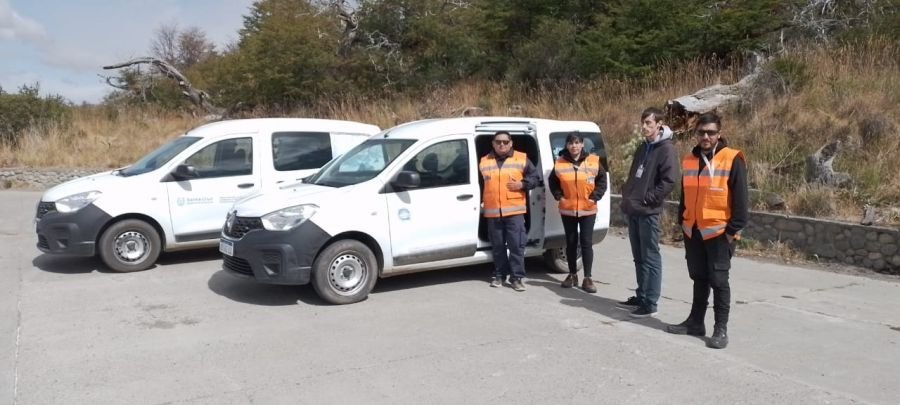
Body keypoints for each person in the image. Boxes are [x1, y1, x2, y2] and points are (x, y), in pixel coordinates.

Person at [666, 112, 748, 350]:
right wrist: (682, 222)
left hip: (720, 233)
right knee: (699, 278)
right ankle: (695, 322)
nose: (706, 136)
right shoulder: (690, 159)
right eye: (701, 132)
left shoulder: (732, 158)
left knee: (719, 281)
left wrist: (732, 230)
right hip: (693, 231)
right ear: (696, 133)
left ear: (719, 134)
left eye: (711, 132)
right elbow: (685, 195)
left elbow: (741, 200)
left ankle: (720, 329)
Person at [618, 107, 678, 318]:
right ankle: (641, 295)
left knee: (650, 257)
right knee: (639, 257)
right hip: (634, 209)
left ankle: (650, 302)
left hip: (648, 211)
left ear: (659, 124)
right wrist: (628, 194)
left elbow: (669, 181)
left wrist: (648, 198)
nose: (644, 127)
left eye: (648, 123)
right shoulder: (643, 147)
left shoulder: (666, 149)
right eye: (643, 123)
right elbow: (634, 175)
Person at [480, 131, 541, 292]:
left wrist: (522, 184)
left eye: (505, 142)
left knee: (516, 246)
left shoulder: (521, 158)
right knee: (497, 247)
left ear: (511, 143)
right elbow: (480, 183)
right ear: (493, 143)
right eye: (498, 141)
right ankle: (500, 275)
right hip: (493, 212)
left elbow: (535, 178)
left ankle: (517, 278)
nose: (502, 144)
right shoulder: (484, 161)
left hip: (514, 212)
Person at [548, 133, 607, 293]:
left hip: (588, 209)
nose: (574, 146)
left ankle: (588, 278)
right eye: (570, 143)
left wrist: (595, 197)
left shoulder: (593, 161)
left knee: (586, 243)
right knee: (571, 243)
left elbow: (602, 181)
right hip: (568, 209)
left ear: (582, 144)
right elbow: (553, 181)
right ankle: (572, 275)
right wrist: (559, 196)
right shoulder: (559, 163)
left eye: (577, 143)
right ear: (567, 145)